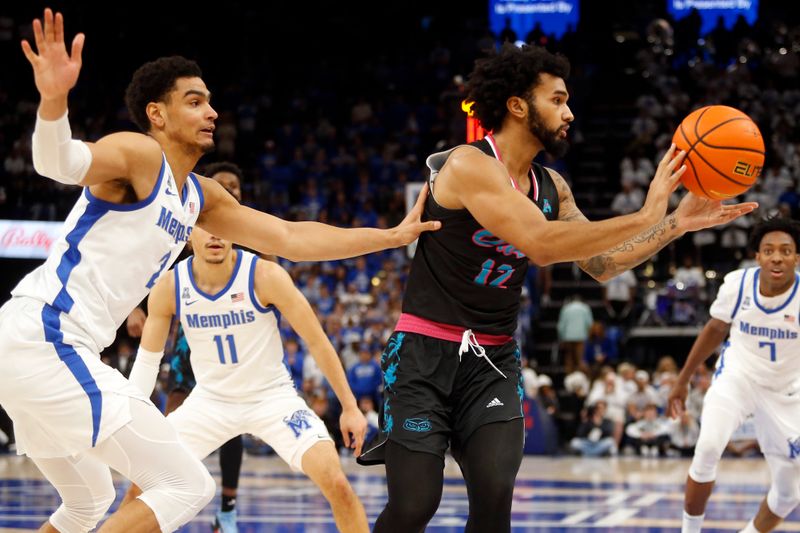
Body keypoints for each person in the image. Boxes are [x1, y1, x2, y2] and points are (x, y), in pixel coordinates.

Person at [0, 9, 435, 533]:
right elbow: (60, 163)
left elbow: (292, 238)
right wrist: (53, 101)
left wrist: (389, 237)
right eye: (195, 101)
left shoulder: (199, 198)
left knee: (89, 503)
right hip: (45, 335)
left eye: (210, 100)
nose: (212, 111)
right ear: (157, 114)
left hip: (38, 346)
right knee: (188, 486)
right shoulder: (140, 154)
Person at [358, 42, 755, 533]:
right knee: (415, 505)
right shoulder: (467, 164)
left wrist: (674, 224)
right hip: (424, 353)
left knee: (496, 494)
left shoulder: (553, 186)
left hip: (492, 360)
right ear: (518, 105)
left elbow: (603, 265)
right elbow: (542, 244)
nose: (569, 112)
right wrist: (648, 212)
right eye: (558, 99)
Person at [126, 225, 369, 533]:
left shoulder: (264, 276)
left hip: (272, 399)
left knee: (337, 482)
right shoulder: (170, 287)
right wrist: (131, 418)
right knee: (141, 485)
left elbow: (317, 341)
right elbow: (148, 360)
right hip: (209, 402)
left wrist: (349, 406)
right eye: (205, 227)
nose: (215, 234)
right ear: (189, 234)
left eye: (222, 226)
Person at [124, 162, 249, 533]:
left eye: (235, 185)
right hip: (189, 342)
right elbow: (144, 268)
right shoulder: (185, 227)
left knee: (234, 428)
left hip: (234, 345)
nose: (230, 190)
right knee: (171, 420)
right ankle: (155, 494)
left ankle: (227, 510)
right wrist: (135, 307)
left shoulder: (250, 233)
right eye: (223, 185)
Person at [668, 217, 800, 533]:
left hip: (787, 390)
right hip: (738, 378)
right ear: (757, 256)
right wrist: (682, 379)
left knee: (788, 494)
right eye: (769, 250)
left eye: (786, 250)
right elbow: (714, 329)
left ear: (797, 257)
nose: (777, 257)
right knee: (709, 447)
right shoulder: (738, 284)